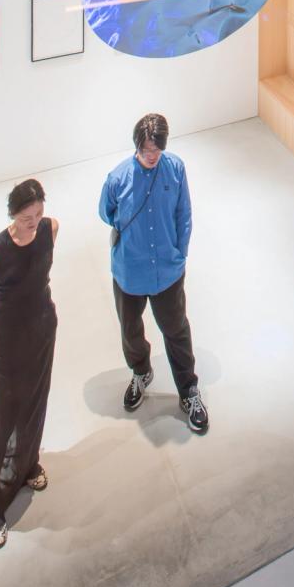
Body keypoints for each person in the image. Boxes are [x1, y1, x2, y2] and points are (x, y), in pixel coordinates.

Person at [99, 113, 209, 432]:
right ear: (137, 146)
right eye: (146, 149)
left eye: (156, 150)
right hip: (129, 271)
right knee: (130, 330)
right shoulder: (118, 178)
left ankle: (189, 391)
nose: (151, 155)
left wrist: (180, 251)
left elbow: (183, 212)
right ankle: (140, 371)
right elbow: (105, 212)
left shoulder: (175, 169)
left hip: (167, 270)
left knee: (176, 330)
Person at [0, 177, 59, 549]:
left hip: (42, 331)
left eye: (38, 214)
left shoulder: (51, 229)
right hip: (8, 343)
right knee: (4, 415)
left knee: (36, 403)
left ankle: (27, 465)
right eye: (27, 217)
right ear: (12, 215)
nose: (35, 222)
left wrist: (32, 322)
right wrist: (2, 324)